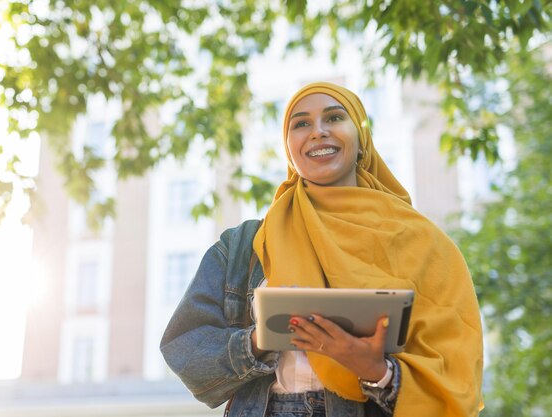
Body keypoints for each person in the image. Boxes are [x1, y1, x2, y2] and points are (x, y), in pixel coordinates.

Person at [160, 82, 484, 417]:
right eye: (301, 124)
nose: (318, 132)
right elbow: (185, 350)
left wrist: (377, 371)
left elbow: (456, 371)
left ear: (362, 142)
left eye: (334, 118)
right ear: (289, 149)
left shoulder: (423, 242)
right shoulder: (244, 244)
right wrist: (261, 340)